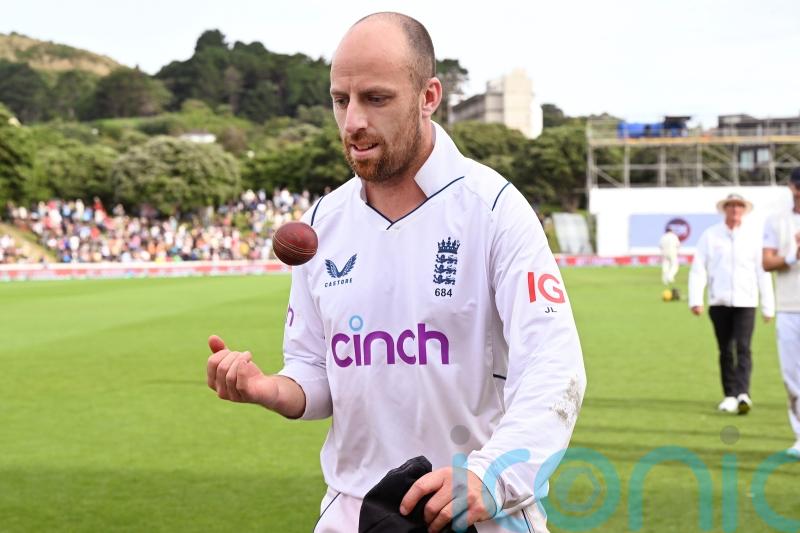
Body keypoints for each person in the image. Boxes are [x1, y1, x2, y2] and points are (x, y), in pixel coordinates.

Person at [205, 12, 585, 533]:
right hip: (352, 512)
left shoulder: (493, 207)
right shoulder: (323, 223)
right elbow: (316, 371)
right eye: (341, 100)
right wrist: (270, 388)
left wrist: (490, 476)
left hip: (472, 509)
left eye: (376, 99)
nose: (353, 121)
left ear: (429, 96)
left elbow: (554, 367)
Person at [688, 193, 774, 414]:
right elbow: (699, 269)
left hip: (746, 301)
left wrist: (768, 306)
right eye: (731, 206)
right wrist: (696, 299)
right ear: (724, 209)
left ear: (744, 210)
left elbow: (762, 272)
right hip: (719, 301)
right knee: (725, 349)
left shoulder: (753, 237)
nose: (735, 209)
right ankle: (729, 395)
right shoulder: (711, 236)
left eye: (739, 206)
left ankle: (743, 393)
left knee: (743, 347)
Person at [762, 167, 800, 458]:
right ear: (791, 187)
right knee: (793, 378)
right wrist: (792, 257)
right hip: (789, 308)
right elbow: (767, 262)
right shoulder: (776, 219)